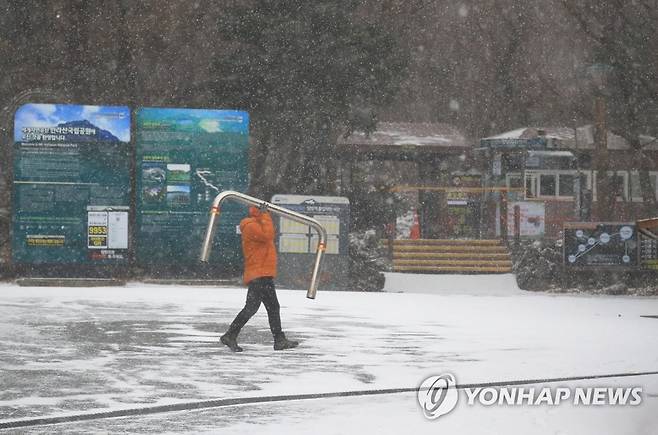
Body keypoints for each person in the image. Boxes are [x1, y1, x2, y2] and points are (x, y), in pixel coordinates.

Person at [220, 205, 299, 352]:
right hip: (259, 275)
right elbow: (267, 235)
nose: (267, 212)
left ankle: (231, 335)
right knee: (268, 307)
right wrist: (266, 217)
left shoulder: (257, 224)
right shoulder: (251, 226)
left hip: (262, 274)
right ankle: (277, 339)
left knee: (258, 308)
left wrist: (264, 218)